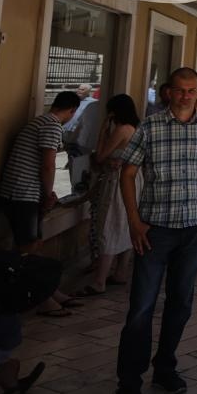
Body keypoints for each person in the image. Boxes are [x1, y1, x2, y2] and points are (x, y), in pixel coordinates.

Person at [107, 67, 197, 394]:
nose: (186, 96)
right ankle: (128, 383)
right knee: (141, 307)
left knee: (181, 303)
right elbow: (127, 172)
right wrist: (133, 221)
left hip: (193, 230)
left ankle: (164, 368)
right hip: (154, 230)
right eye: (180, 90)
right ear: (167, 92)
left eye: (192, 90)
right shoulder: (150, 126)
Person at [0, 90, 81, 318]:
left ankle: (49, 292)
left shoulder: (41, 122)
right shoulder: (52, 126)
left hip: (20, 193)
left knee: (32, 245)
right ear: (72, 111)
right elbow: (48, 164)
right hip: (23, 194)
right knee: (28, 248)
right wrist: (48, 194)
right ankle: (42, 298)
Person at [77, 94, 139, 297]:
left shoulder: (121, 130)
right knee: (125, 225)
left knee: (109, 225)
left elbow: (101, 155)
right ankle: (120, 272)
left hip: (116, 183)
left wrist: (103, 131)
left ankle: (99, 280)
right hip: (133, 182)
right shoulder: (135, 129)